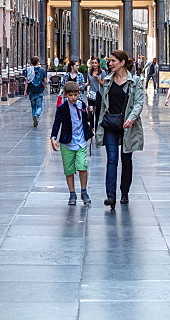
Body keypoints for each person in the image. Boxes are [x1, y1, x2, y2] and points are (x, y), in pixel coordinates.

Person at [96, 49, 145, 210]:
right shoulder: (108, 81)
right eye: (109, 61)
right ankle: (111, 196)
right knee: (111, 159)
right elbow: (103, 104)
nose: (109, 64)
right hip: (111, 123)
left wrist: (132, 118)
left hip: (127, 125)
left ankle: (124, 192)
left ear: (122, 63)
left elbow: (139, 102)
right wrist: (99, 126)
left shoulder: (135, 81)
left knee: (126, 160)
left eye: (113, 61)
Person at [50, 80, 93, 206]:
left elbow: (87, 120)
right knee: (69, 169)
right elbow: (57, 123)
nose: (73, 98)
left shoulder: (82, 105)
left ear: (79, 93)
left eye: (75, 94)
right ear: (66, 95)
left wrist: (90, 114)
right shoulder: (62, 108)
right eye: (70, 95)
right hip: (67, 142)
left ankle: (84, 191)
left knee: (82, 166)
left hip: (81, 141)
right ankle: (72, 193)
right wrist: (53, 137)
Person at [86, 56, 107, 132]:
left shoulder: (103, 72)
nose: (94, 64)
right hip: (91, 93)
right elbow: (88, 83)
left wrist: (97, 78)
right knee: (90, 111)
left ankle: (97, 128)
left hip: (99, 93)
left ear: (98, 64)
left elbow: (103, 84)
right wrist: (81, 86)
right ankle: (91, 127)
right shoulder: (89, 72)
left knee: (98, 112)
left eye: (95, 63)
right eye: (93, 63)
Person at [24, 56, 47, 127]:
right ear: (38, 62)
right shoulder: (42, 70)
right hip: (39, 89)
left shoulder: (28, 70)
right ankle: (36, 115)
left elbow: (27, 81)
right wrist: (44, 87)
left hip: (31, 90)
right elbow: (45, 80)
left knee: (33, 106)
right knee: (39, 106)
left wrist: (25, 91)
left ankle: (34, 116)